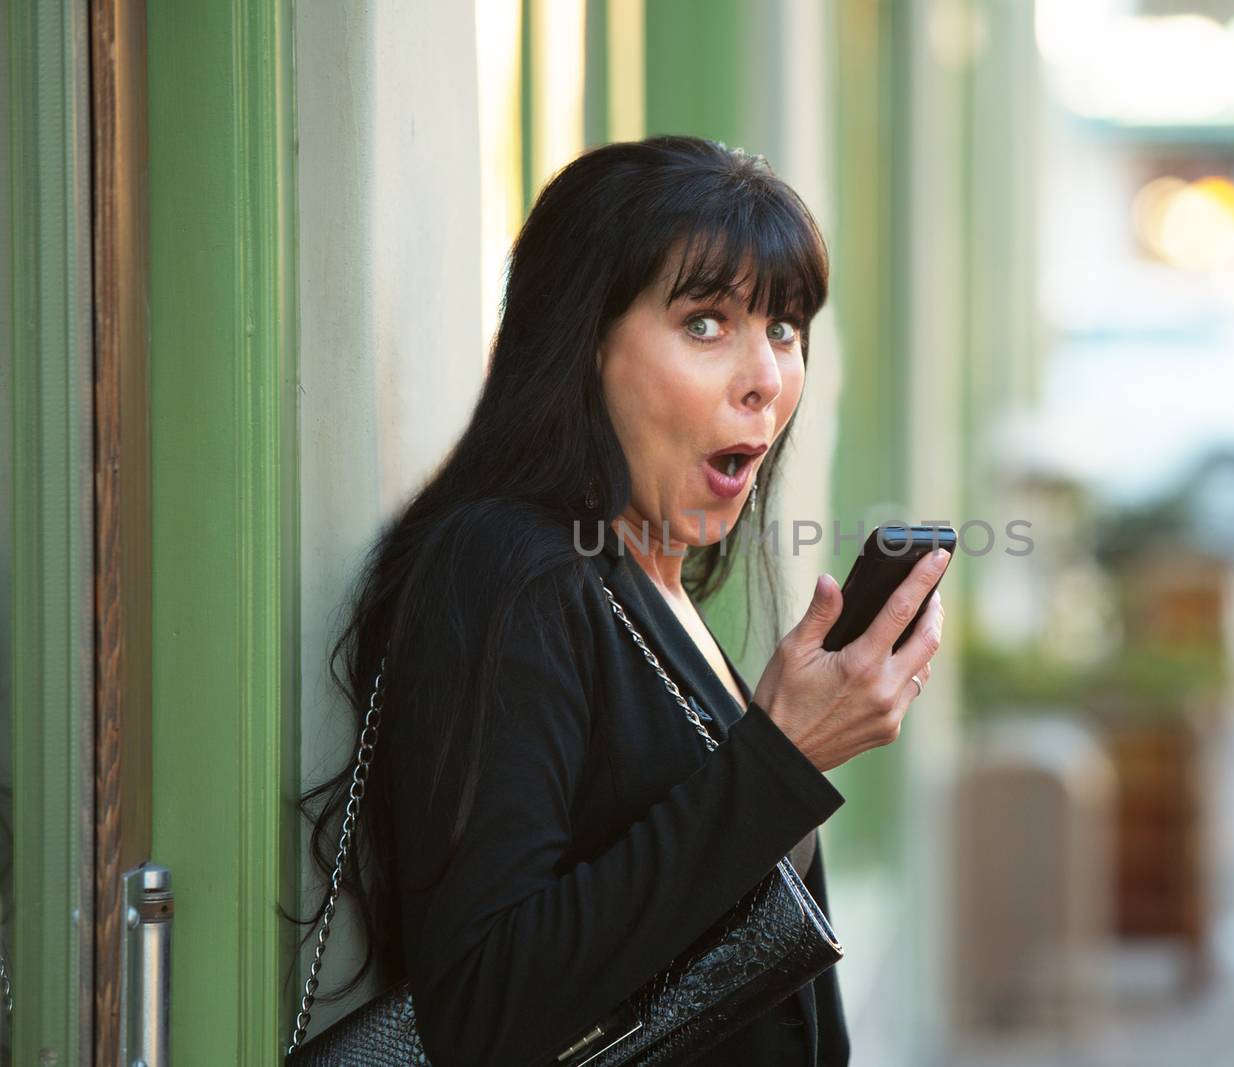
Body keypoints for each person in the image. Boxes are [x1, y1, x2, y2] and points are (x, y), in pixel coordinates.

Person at [297, 135, 948, 1066]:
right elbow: (480, 1007)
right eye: (706, 323)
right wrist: (781, 757)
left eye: (786, 327)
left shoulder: (644, 584)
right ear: (584, 341)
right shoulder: (510, 571)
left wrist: (780, 757)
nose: (766, 376)